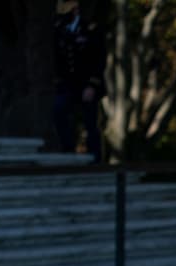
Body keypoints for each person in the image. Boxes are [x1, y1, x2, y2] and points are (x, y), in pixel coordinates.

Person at [52, 0, 104, 160]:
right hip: (69, 84)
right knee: (59, 111)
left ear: (75, 11)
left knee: (90, 122)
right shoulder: (60, 30)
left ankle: (94, 157)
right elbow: (58, 59)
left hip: (87, 84)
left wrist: (92, 85)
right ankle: (68, 150)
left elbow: (99, 59)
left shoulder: (90, 30)